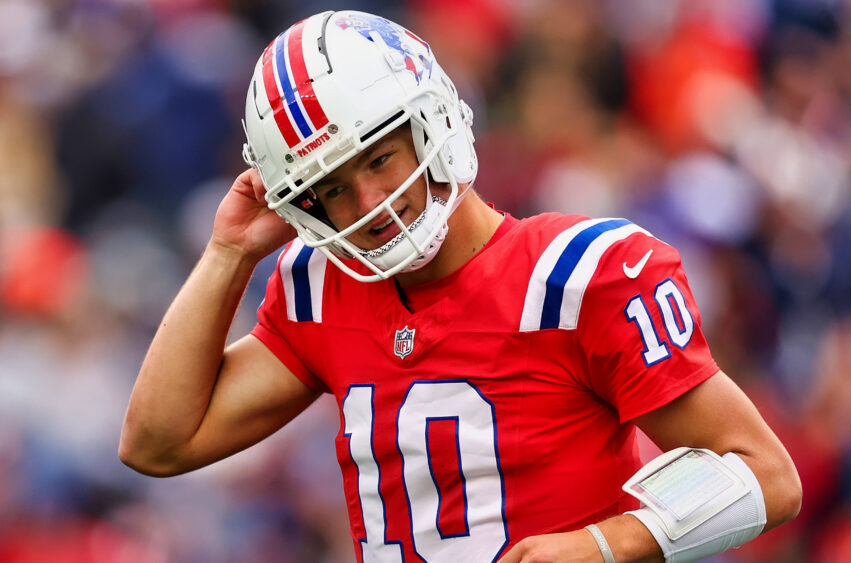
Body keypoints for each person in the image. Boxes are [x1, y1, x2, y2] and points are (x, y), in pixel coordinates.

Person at [119, 10, 801, 563]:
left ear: (430, 123)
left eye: (380, 157)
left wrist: (606, 543)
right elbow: (158, 443)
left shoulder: (579, 274)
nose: (369, 201)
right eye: (331, 189)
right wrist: (229, 252)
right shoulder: (322, 289)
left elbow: (767, 476)